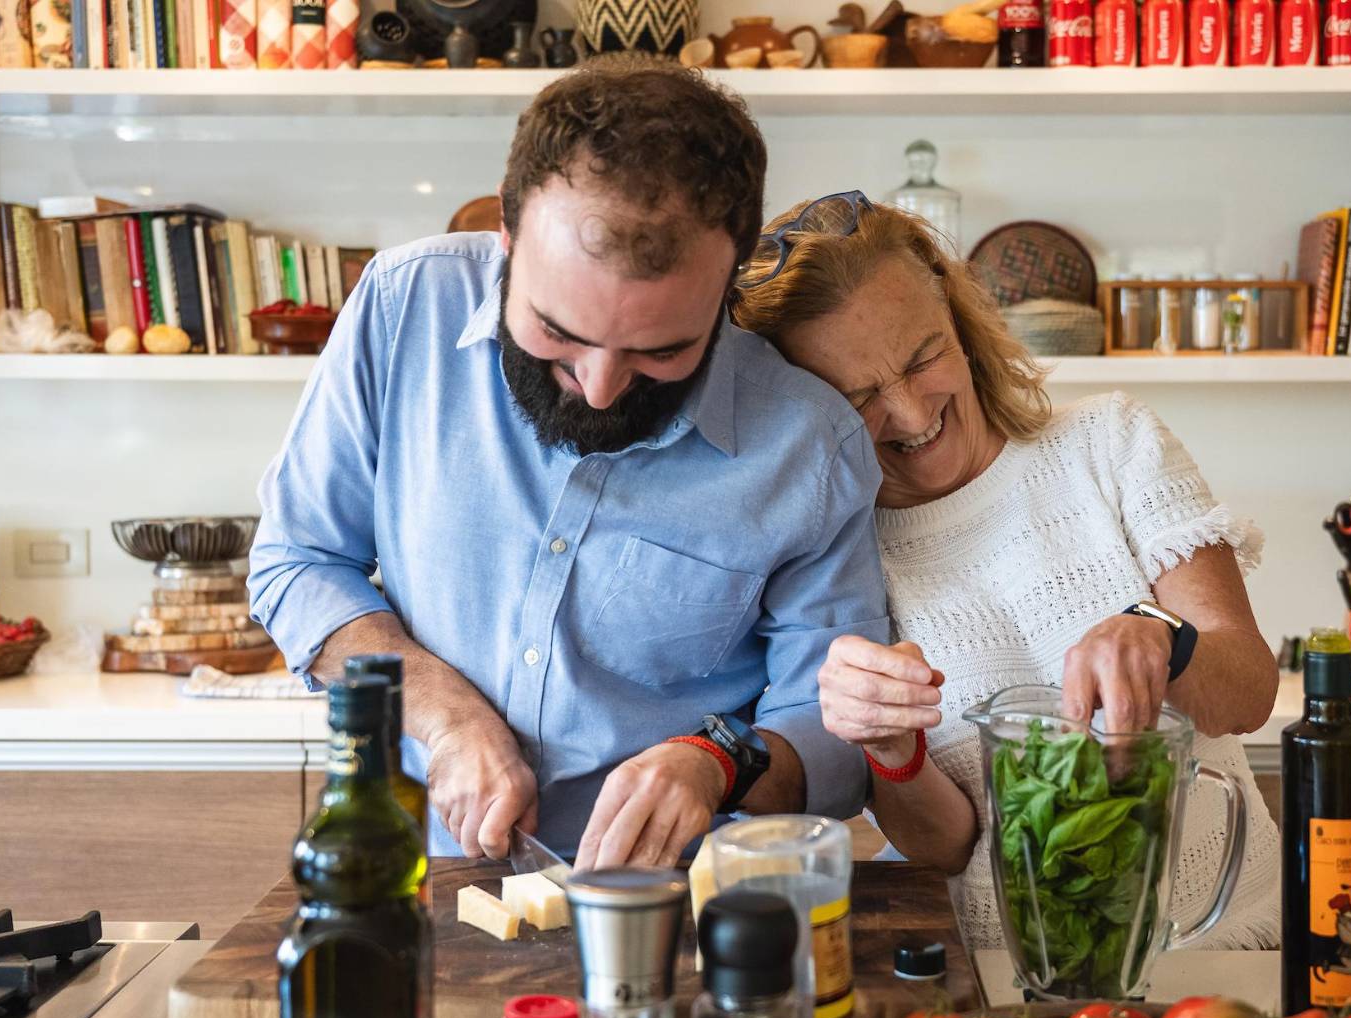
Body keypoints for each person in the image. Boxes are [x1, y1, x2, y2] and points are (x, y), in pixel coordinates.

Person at [249, 60, 887, 870]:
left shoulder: (810, 445)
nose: (599, 386)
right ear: (508, 241)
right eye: (558, 336)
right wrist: (444, 716)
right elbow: (298, 560)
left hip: (682, 907)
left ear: (728, 285)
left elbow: (836, 736)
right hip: (422, 881)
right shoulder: (403, 306)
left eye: (660, 350)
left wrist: (716, 762)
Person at [730, 196, 1283, 950]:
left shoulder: (1110, 442)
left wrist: (1160, 635)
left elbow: (1248, 687)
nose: (908, 409)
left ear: (959, 320)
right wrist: (892, 752)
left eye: (924, 357)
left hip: (1233, 946)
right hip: (1011, 976)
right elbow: (949, 844)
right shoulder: (835, 560)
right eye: (857, 397)